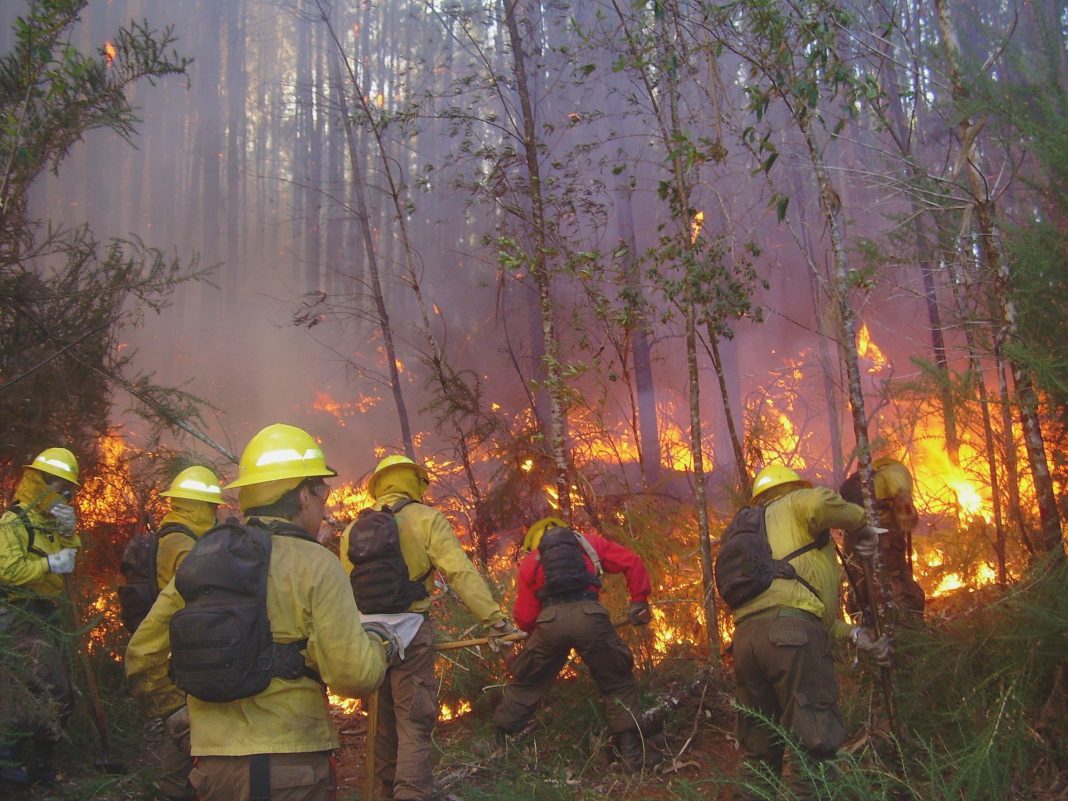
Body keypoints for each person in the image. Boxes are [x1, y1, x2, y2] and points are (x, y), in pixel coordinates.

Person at [126, 424, 390, 801]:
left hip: (213, 770)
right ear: (303, 495)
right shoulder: (316, 563)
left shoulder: (204, 559)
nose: (324, 503)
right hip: (292, 765)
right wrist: (381, 643)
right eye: (322, 493)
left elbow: (142, 654)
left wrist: (177, 716)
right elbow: (352, 676)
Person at [340, 454, 514, 801]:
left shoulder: (352, 530)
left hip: (367, 638)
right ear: (415, 482)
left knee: (382, 726)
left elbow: (341, 589)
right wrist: (495, 620)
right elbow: (459, 573)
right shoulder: (426, 519)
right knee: (413, 726)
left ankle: (382, 793)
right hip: (410, 636)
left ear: (378, 486)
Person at [728, 465, 891, 801]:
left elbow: (809, 614)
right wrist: (860, 522)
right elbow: (819, 505)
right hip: (792, 638)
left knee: (759, 755)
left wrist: (854, 634)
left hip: (745, 642)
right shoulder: (796, 502)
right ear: (793, 487)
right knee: (813, 748)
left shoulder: (751, 530)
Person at [492, 516, 656, 772]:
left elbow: (524, 616)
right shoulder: (590, 545)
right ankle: (632, 754)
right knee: (617, 680)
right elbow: (632, 562)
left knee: (527, 682)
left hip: (550, 623)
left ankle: (497, 745)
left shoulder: (531, 561)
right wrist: (639, 601)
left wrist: (538, 637)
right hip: (591, 618)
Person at [0, 447, 81, 786]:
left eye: (69, 489)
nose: (65, 494)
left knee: (58, 692)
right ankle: (10, 762)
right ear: (40, 482)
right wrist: (48, 564)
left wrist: (70, 534)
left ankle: (41, 764)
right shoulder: (12, 522)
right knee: (33, 689)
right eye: (60, 486)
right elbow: (7, 569)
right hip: (19, 614)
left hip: (47, 614)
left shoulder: (51, 523)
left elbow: (72, 560)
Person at [152, 465, 223, 801]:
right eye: (212, 506)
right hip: (182, 649)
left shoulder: (178, 535)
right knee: (189, 733)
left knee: (185, 732)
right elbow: (198, 592)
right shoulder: (181, 543)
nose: (215, 513)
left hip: (179, 645)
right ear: (199, 505)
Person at [839, 457, 925, 621]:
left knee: (863, 597)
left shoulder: (851, 488)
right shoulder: (893, 475)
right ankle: (906, 633)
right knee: (900, 594)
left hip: (859, 548)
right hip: (885, 541)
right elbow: (907, 513)